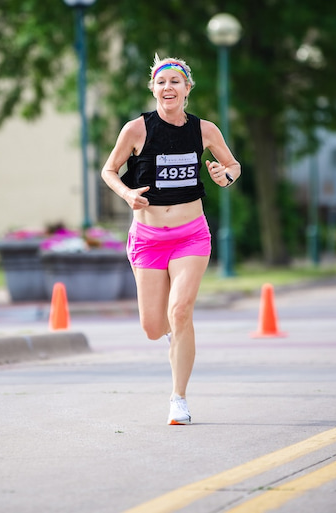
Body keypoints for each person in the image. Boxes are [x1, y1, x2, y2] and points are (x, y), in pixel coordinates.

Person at [101, 55, 241, 425]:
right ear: (153, 89)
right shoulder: (136, 129)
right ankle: (171, 336)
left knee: (180, 312)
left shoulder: (204, 130)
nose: (168, 88)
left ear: (187, 89)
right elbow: (109, 170)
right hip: (147, 237)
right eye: (162, 83)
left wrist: (222, 176)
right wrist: (127, 195)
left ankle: (178, 398)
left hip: (191, 235)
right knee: (152, 327)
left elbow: (233, 167)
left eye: (176, 82)